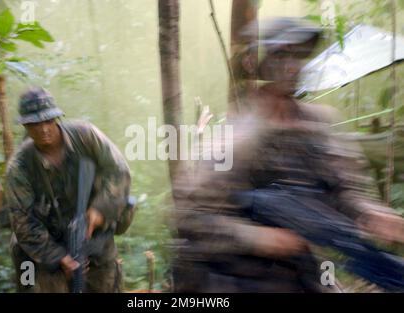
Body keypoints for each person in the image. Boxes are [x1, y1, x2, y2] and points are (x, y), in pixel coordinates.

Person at [173, 18, 404, 292]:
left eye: (299, 55)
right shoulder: (235, 137)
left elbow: (346, 191)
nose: (291, 65)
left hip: (302, 268)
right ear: (257, 63)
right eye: (280, 54)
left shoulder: (320, 124)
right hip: (238, 277)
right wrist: (257, 237)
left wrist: (372, 215)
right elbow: (190, 218)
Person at [5, 87, 134, 292]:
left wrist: (100, 210)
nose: (43, 129)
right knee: (31, 279)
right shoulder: (20, 167)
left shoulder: (86, 136)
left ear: (57, 118)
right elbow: (24, 223)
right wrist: (59, 258)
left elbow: (119, 171)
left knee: (106, 283)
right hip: (44, 246)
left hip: (92, 237)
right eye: (35, 124)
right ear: (26, 126)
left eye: (48, 121)